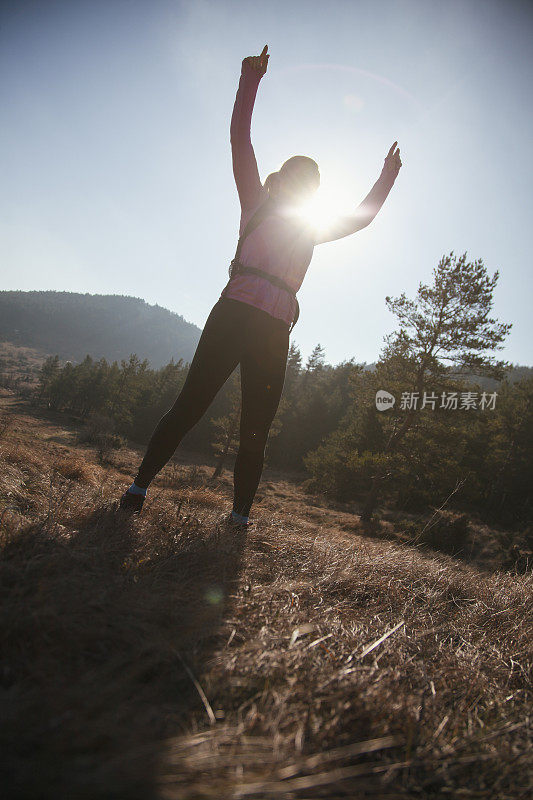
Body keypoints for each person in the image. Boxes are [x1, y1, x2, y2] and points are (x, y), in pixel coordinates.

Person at [118, 45, 402, 526]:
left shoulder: (312, 227)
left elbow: (362, 218)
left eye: (311, 182)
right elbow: (240, 138)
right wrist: (250, 81)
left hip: (275, 331)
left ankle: (239, 519)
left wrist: (386, 176)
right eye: (298, 175)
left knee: (256, 430)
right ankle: (137, 488)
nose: (304, 184)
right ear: (280, 178)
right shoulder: (255, 201)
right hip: (233, 314)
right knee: (189, 406)